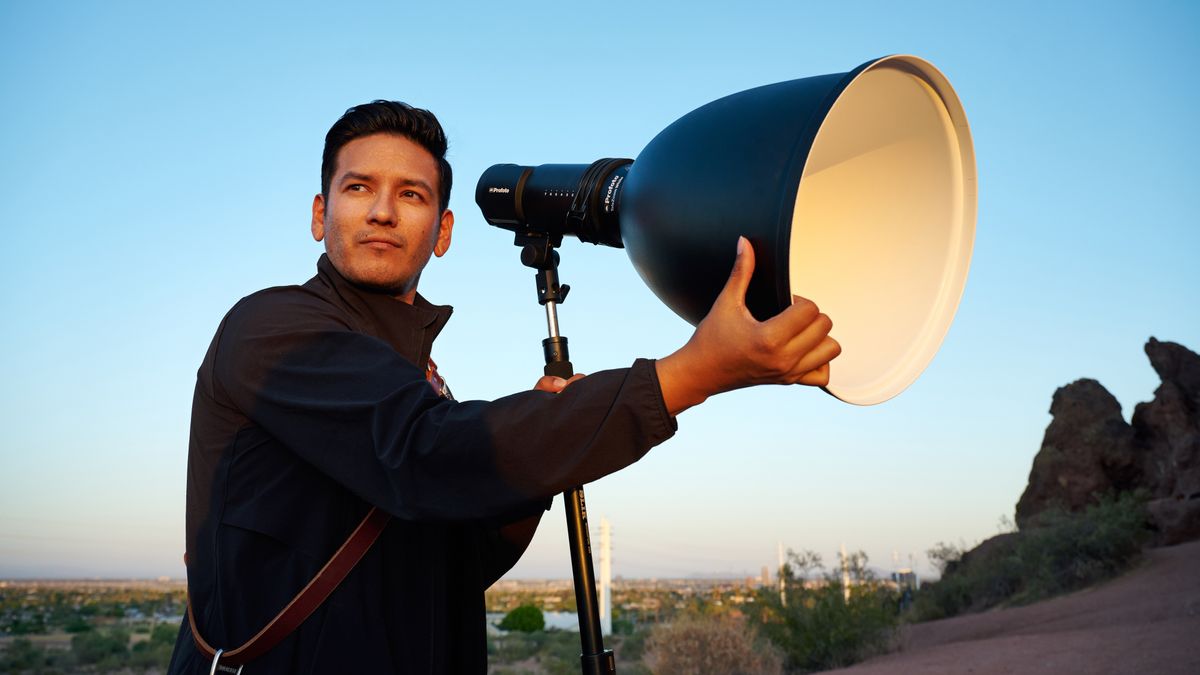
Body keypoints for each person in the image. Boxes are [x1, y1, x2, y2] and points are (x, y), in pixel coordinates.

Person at [168, 101, 840, 674]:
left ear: (444, 231)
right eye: (357, 188)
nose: (381, 211)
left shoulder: (421, 382)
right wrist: (690, 373)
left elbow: (455, 560)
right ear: (320, 214)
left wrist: (544, 447)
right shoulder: (271, 330)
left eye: (411, 194)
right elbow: (425, 454)